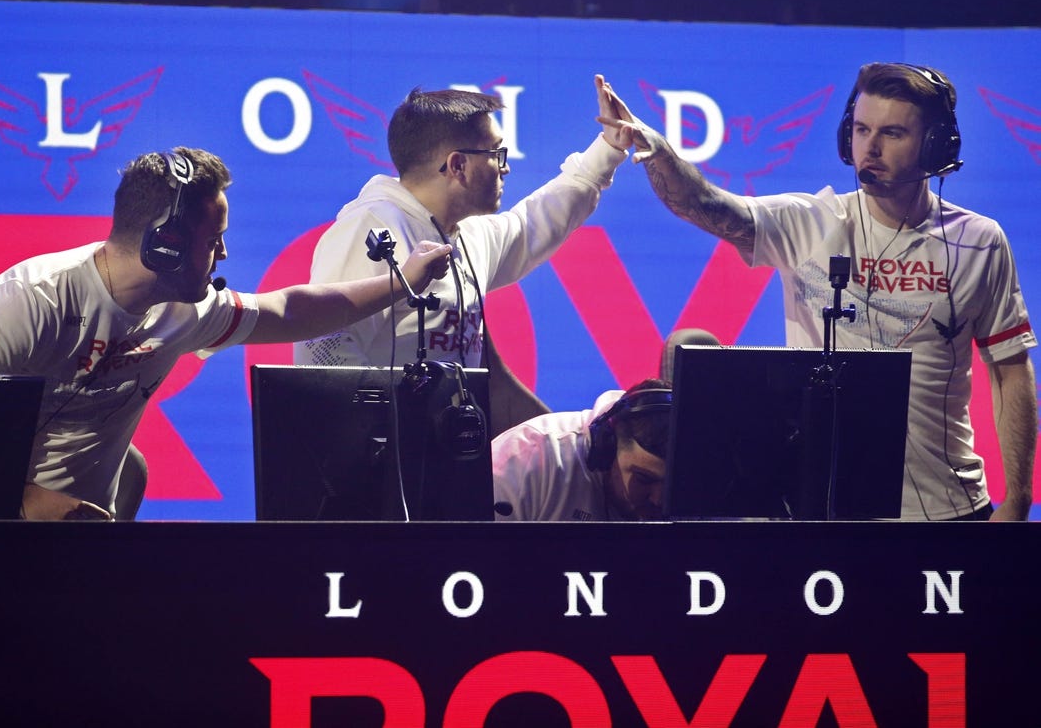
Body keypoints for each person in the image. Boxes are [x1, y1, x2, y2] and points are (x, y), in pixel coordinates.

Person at [599, 64, 1037, 521]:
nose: (871, 147)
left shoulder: (979, 242)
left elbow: (1009, 369)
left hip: (951, 511)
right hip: (824, 514)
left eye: (891, 133)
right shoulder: (810, 223)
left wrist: (1019, 500)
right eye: (862, 129)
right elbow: (706, 205)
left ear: (934, 145)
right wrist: (654, 150)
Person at [0, 147, 452, 520]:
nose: (225, 256)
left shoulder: (185, 311)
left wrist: (399, 282)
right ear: (165, 245)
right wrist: (36, 505)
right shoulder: (31, 300)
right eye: (214, 241)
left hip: (81, 545)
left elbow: (288, 309)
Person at [294, 75, 632, 434]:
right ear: (458, 165)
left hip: (446, 458)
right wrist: (393, 432)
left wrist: (608, 150)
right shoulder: (371, 230)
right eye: (497, 154)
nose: (506, 167)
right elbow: (322, 349)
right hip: (385, 467)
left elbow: (534, 223)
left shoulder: (464, 233)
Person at [492, 379, 671, 521]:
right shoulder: (529, 458)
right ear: (606, 451)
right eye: (644, 480)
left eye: (672, 483)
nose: (659, 499)